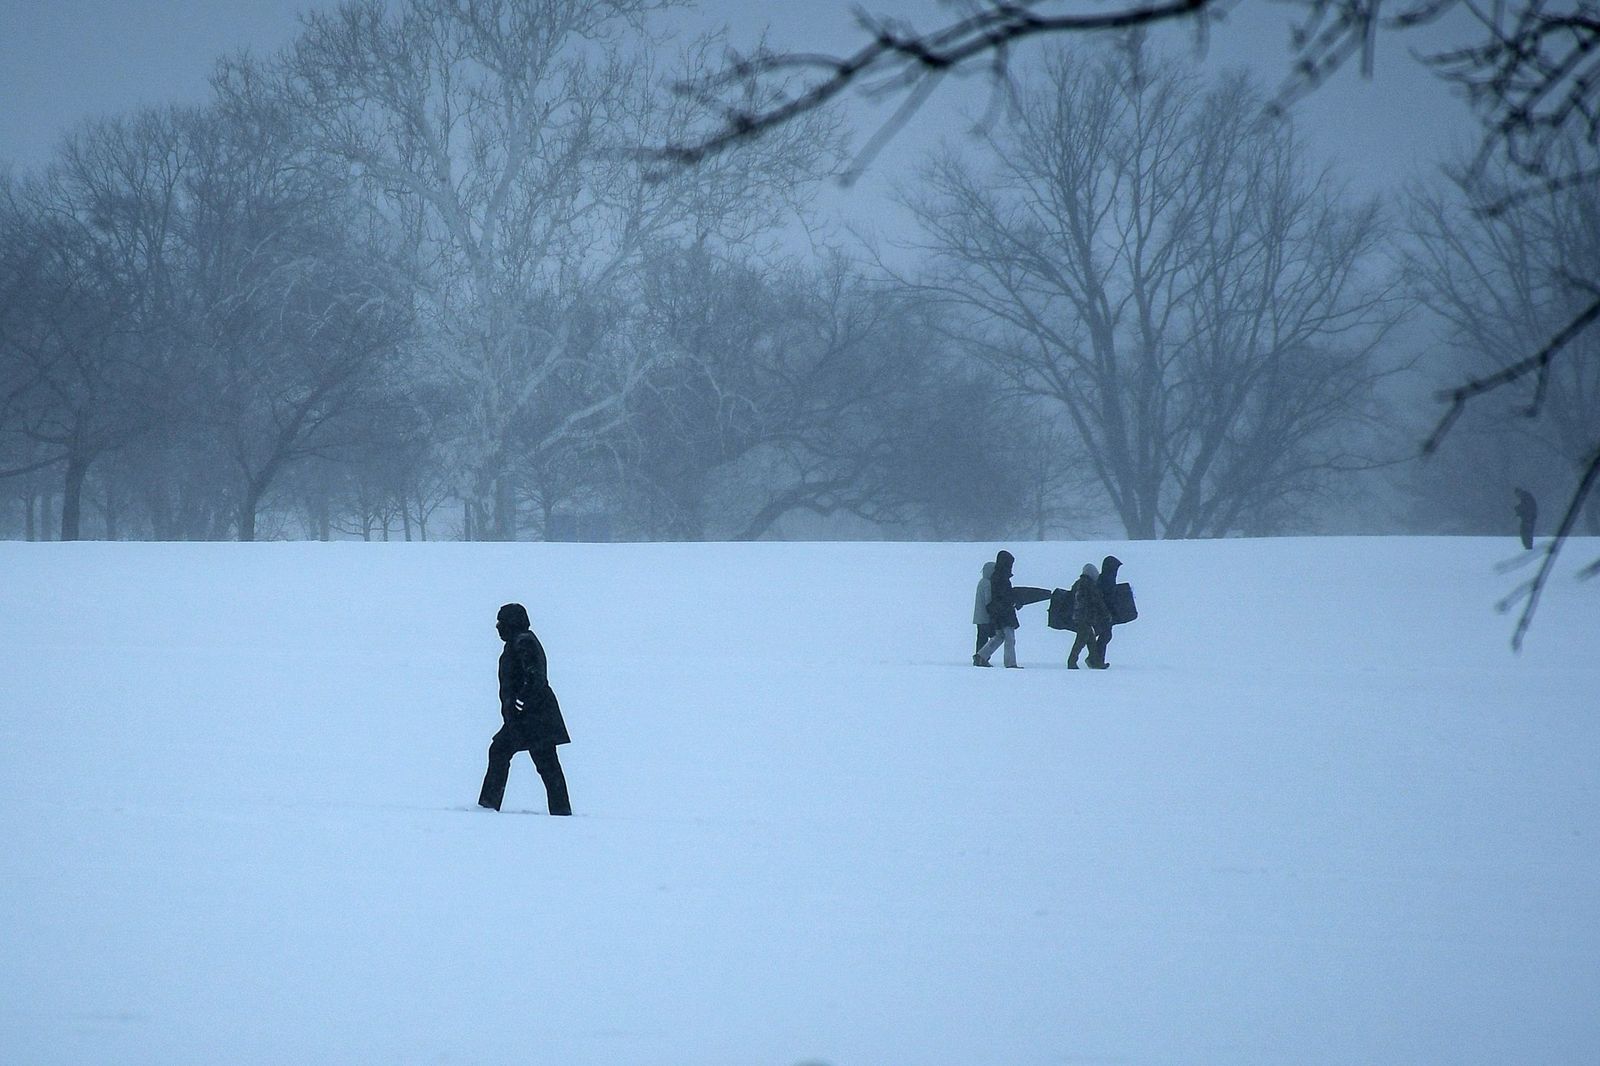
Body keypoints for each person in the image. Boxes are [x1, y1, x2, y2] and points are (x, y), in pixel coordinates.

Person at [478, 602, 572, 815]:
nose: (497, 627)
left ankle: (488, 806)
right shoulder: (520, 641)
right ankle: (561, 812)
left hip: (532, 718)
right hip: (532, 717)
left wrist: (521, 702)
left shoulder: (523, 642)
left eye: (501, 622)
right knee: (547, 765)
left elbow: (534, 676)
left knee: (503, 752)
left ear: (511, 623)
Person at [975, 550, 1022, 668]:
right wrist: (1014, 601)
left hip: (999, 612)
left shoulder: (996, 577)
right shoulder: (1002, 578)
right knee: (1009, 638)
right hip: (1005, 612)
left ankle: (981, 656)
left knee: (999, 637)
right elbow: (1004, 596)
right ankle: (1010, 663)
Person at [1068, 563, 1111, 670]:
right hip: (1086, 616)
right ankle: (1071, 662)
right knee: (1081, 640)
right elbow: (1097, 601)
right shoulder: (1089, 585)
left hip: (1078, 615)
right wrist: (1106, 614)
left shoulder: (1078, 583)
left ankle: (1095, 662)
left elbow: (1071, 597)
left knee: (1090, 640)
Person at [1096, 555, 1123, 666]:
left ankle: (1096, 659)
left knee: (1103, 635)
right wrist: (1113, 610)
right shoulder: (1108, 579)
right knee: (1105, 635)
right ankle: (1097, 660)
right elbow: (1108, 597)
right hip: (1104, 612)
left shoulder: (1105, 577)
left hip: (1104, 611)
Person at [973, 560, 997, 659]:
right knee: (990, 637)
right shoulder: (987, 583)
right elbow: (988, 600)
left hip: (979, 617)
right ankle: (982, 657)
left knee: (981, 638)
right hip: (985, 616)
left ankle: (979, 656)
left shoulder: (981, 582)